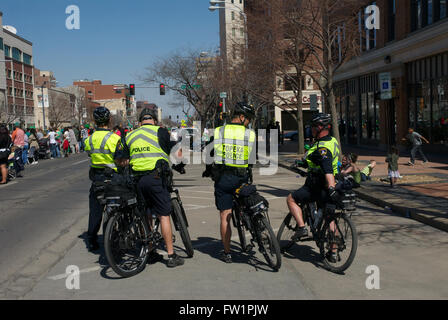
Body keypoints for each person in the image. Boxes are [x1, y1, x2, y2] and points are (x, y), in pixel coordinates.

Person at [115, 108, 186, 268]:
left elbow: (120, 159)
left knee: (145, 215)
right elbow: (177, 152)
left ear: (140, 122)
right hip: (156, 178)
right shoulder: (161, 132)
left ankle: (151, 250)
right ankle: (171, 255)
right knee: (163, 215)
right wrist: (180, 164)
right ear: (154, 121)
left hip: (137, 181)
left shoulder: (130, 135)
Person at [202, 102, 257, 263]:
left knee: (225, 215)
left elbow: (208, 152)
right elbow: (252, 158)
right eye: (248, 119)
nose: (248, 122)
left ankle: (227, 253)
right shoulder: (250, 134)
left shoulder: (219, 131)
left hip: (224, 179)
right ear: (241, 117)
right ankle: (256, 229)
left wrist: (208, 169)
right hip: (242, 178)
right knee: (248, 206)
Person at [286, 113, 341, 262]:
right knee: (330, 219)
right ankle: (333, 252)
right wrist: (303, 163)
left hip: (318, 186)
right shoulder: (332, 141)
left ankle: (302, 227)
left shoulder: (322, 148)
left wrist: (330, 187)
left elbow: (327, 168)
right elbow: (317, 160)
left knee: (291, 199)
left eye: (313, 127)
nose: (311, 130)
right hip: (335, 182)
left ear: (319, 128)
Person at [83, 107, 122, 252]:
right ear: (109, 120)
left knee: (95, 211)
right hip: (113, 178)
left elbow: (89, 154)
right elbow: (120, 159)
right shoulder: (115, 138)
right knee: (115, 209)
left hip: (97, 179)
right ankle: (112, 237)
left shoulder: (89, 139)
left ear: (94, 121)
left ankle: (92, 240)